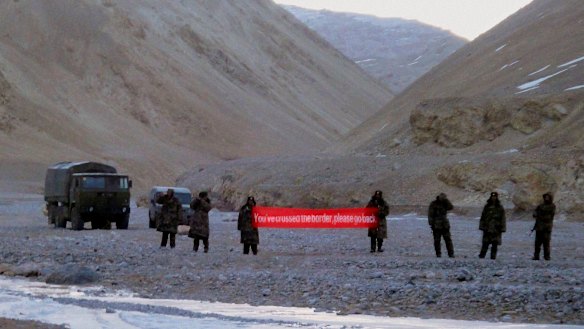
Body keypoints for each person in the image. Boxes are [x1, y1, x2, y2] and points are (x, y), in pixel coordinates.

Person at [479, 192, 506, 259]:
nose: (493, 198)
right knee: (485, 243)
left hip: (496, 228)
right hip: (487, 227)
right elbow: (483, 217)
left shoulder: (500, 207)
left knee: (495, 244)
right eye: (492, 196)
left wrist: (503, 228)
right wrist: (481, 226)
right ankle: (482, 256)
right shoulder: (487, 207)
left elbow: (503, 218)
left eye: (495, 197)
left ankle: (493, 257)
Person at [428, 193, 455, 258]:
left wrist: (446, 201)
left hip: (445, 225)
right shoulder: (433, 204)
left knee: (448, 240)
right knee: (437, 240)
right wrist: (431, 224)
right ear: (439, 197)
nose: (443, 199)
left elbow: (451, 207)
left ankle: (451, 254)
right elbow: (430, 215)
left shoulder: (445, 203)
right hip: (436, 225)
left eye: (444, 198)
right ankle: (438, 254)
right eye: (443, 198)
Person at [532, 193, 556, 261]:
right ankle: (536, 256)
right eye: (545, 197)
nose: (546, 199)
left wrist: (539, 216)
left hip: (546, 228)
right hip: (539, 227)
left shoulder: (552, 206)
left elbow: (549, 217)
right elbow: (535, 211)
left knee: (546, 243)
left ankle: (547, 256)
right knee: (537, 243)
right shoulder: (540, 205)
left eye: (547, 197)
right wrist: (535, 214)